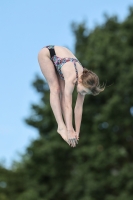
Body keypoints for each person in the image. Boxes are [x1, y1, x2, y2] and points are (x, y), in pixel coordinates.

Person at [38, 45, 104, 147]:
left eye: (85, 93)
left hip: (62, 62)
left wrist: (76, 132)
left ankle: (67, 128)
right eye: (84, 91)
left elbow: (78, 107)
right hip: (48, 54)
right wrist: (69, 130)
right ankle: (60, 126)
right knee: (56, 89)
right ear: (80, 81)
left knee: (65, 96)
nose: (83, 94)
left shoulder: (84, 80)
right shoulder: (72, 78)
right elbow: (68, 106)